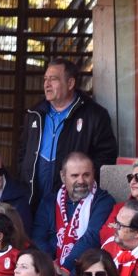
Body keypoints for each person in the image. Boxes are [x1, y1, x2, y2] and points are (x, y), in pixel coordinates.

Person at [20, 58, 118, 213]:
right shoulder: (35, 113)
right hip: (34, 201)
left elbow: (106, 157)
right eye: (45, 79)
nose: (47, 84)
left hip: (74, 203)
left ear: (70, 83)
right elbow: (23, 153)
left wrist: (81, 185)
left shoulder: (95, 115)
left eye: (53, 79)